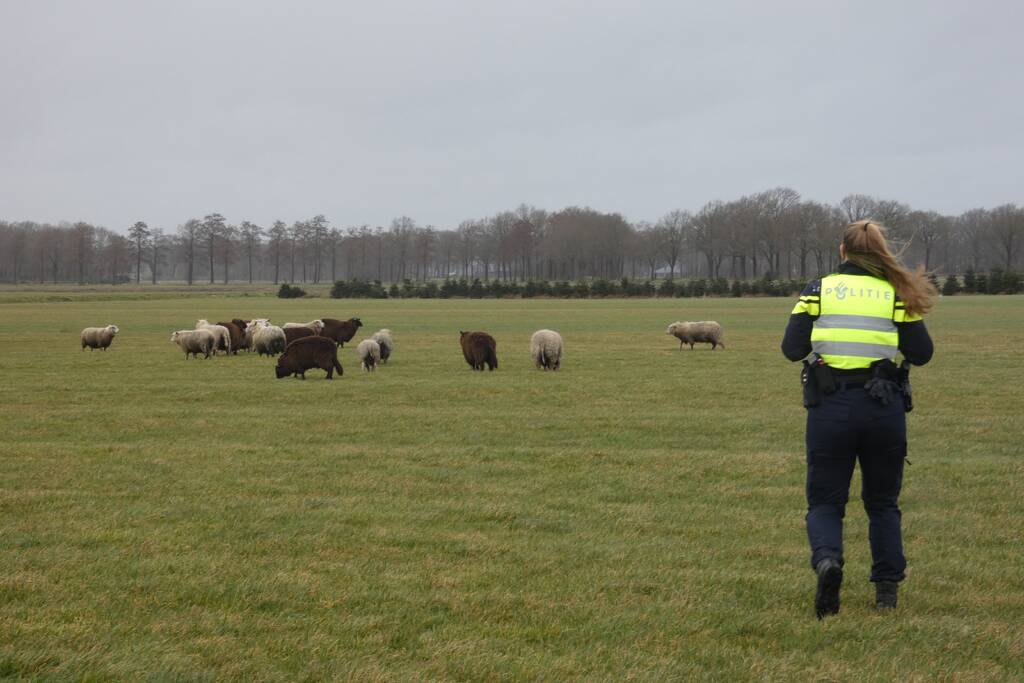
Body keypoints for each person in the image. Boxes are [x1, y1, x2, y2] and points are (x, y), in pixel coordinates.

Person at [781, 220, 935, 619]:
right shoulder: (895, 293)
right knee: (883, 502)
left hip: (830, 407)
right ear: (880, 252)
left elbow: (791, 347)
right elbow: (921, 353)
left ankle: (829, 561)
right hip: (883, 408)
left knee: (825, 501)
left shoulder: (818, 290)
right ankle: (886, 592)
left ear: (842, 251)